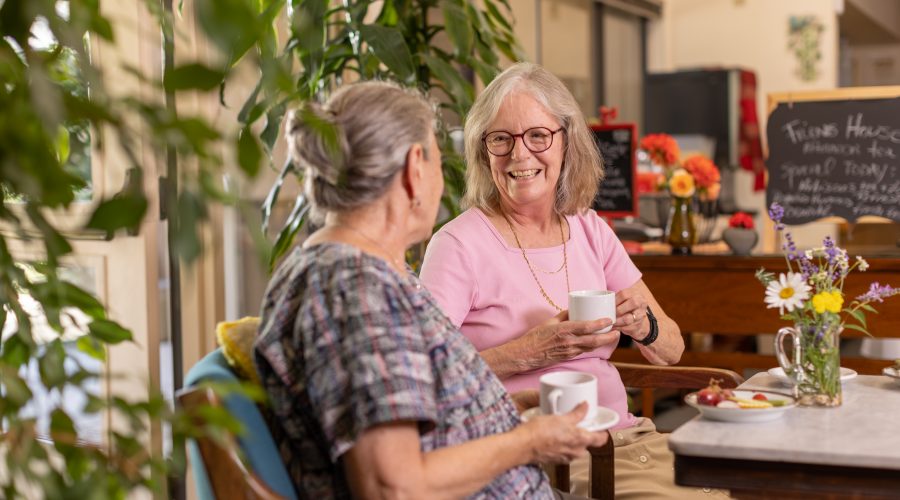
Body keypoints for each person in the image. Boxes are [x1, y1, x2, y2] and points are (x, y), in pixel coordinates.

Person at [253, 80, 608, 500]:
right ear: (413, 169)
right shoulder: (355, 290)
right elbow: (393, 486)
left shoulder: (359, 274)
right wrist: (529, 442)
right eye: (441, 161)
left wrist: (504, 408)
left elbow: (415, 425)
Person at [420, 63, 725, 499]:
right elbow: (426, 378)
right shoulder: (457, 244)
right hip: (546, 461)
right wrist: (527, 353)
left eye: (538, 136)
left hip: (627, 441)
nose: (520, 155)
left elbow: (671, 350)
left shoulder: (588, 227)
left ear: (567, 141)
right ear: (483, 151)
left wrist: (643, 325)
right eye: (501, 138)